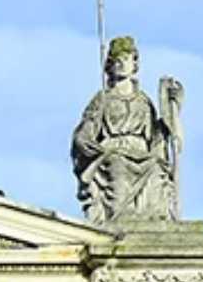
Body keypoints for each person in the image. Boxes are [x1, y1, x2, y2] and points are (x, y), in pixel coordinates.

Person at [71, 34, 180, 226]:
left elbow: (156, 136)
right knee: (118, 166)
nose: (121, 64)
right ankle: (121, 219)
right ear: (110, 66)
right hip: (114, 153)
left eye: (126, 59)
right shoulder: (103, 99)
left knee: (156, 167)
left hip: (141, 153)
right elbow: (87, 126)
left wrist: (172, 111)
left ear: (134, 64)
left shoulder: (143, 101)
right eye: (117, 61)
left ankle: (154, 220)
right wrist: (85, 138)